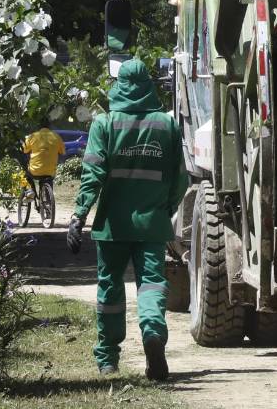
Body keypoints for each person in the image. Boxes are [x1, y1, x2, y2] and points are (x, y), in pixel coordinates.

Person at [66, 59, 188, 379]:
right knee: (151, 285)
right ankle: (152, 333)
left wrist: (79, 214)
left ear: (119, 85)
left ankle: (108, 358)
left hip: (112, 226)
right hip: (152, 224)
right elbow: (181, 179)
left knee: (110, 289)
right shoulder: (167, 125)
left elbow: (92, 173)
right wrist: (166, 207)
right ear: (148, 84)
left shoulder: (105, 124)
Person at [22, 118, 65, 191]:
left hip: (34, 170)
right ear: (50, 126)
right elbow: (62, 152)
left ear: (39, 126)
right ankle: (48, 196)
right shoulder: (56, 137)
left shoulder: (32, 136)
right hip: (50, 171)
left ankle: (29, 192)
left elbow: (25, 150)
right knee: (49, 179)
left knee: (26, 176)